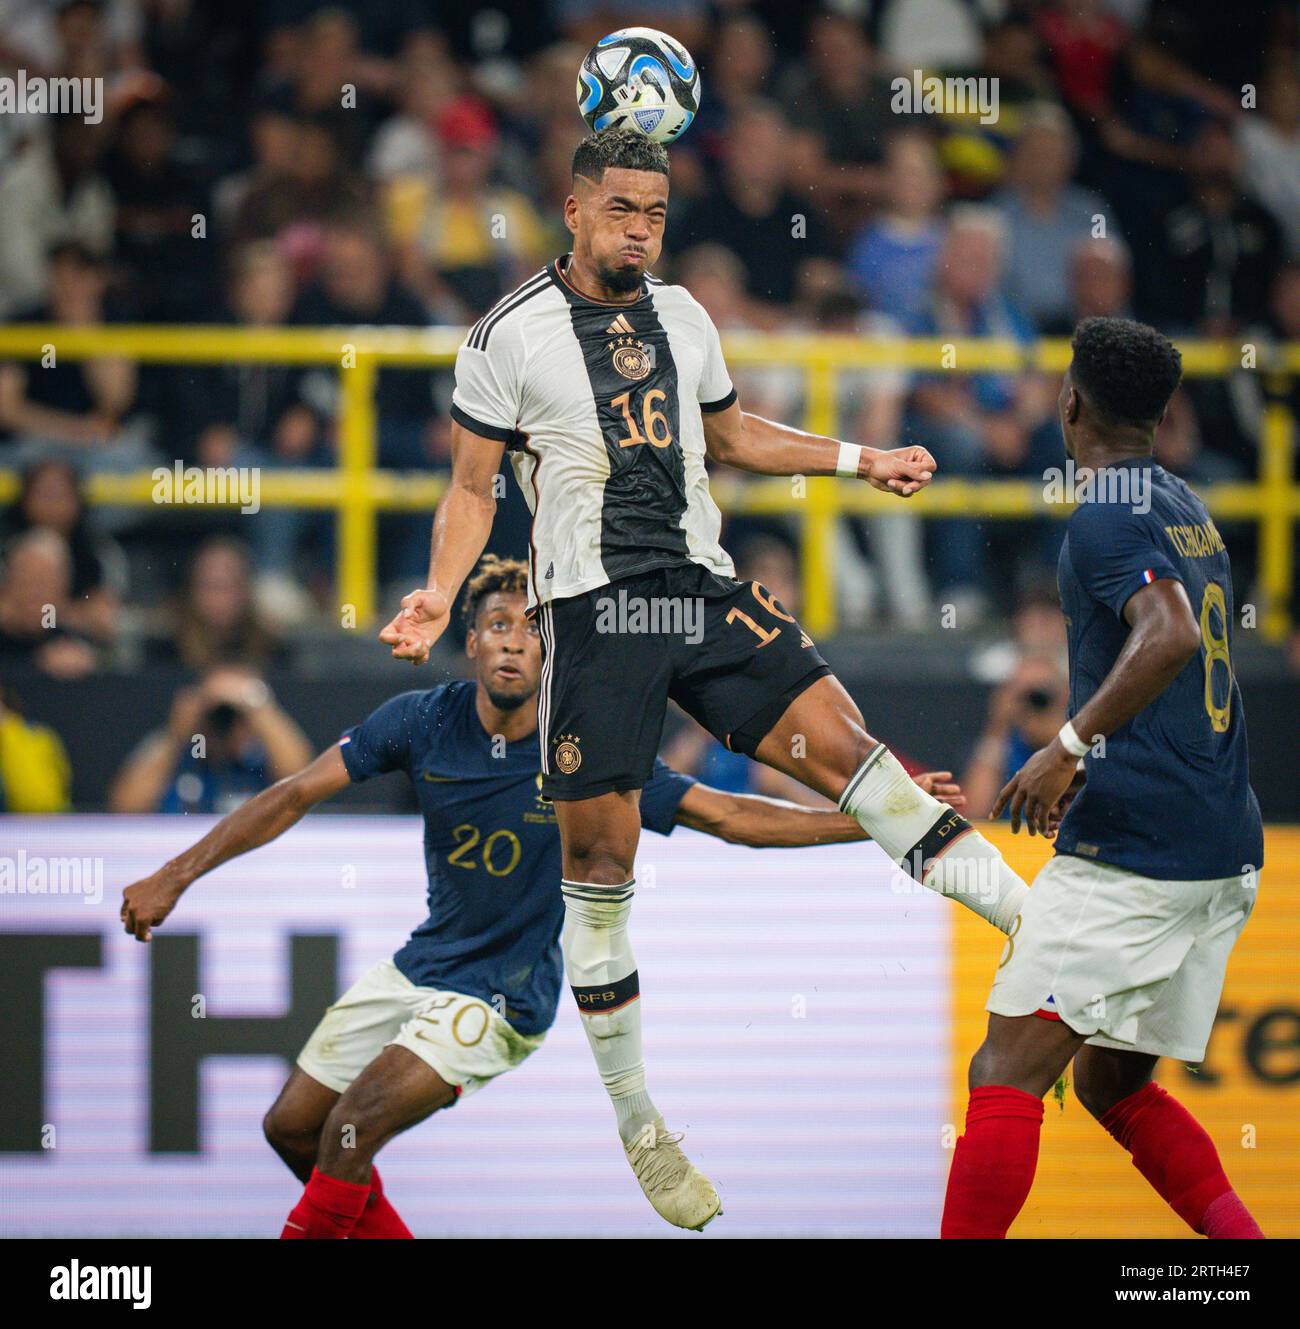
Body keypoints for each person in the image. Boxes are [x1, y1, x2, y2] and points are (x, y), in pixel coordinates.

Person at [381, 129, 1033, 1231]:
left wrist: (856, 460)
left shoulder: (683, 316)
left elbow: (730, 436)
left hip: (702, 589)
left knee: (857, 760)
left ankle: (1041, 931)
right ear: (575, 207)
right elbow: (470, 488)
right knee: (599, 865)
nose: (641, 227)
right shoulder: (505, 336)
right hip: (591, 617)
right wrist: (441, 593)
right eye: (622, 208)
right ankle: (639, 1123)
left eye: (656, 211)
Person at [119, 556, 964, 1237]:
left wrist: (880, 820)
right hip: (425, 964)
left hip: (507, 993)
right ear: (473, 647)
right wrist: (174, 874)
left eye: (533, 630)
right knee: (293, 1130)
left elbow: (733, 816)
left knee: (351, 1128)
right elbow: (292, 792)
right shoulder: (421, 721)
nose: (515, 643)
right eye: (496, 627)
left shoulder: (590, 748)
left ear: (554, 653)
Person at [942, 317, 1264, 1240]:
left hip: (1139, 855)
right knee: (1112, 1082)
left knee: (1004, 1072)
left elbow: (1166, 634)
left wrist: (1067, 745)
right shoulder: (1181, 502)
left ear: (1069, 403)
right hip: (1221, 842)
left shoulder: (1105, 512)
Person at [109, 664, 312, 814]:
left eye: (236, 714)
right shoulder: (178, 754)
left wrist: (256, 705)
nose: (224, 721)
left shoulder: (262, 761)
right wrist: (176, 734)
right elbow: (126, 807)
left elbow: (304, 781)